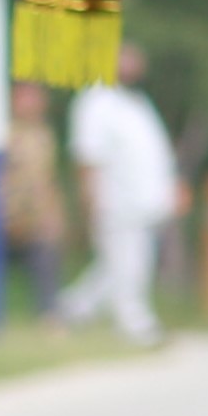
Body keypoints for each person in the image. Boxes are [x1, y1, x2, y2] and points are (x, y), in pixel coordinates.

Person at [49, 44, 179, 347]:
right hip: (117, 202)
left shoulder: (135, 102)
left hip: (145, 203)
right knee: (128, 267)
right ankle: (135, 325)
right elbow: (88, 158)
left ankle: (68, 311)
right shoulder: (95, 102)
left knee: (115, 269)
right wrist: (90, 203)